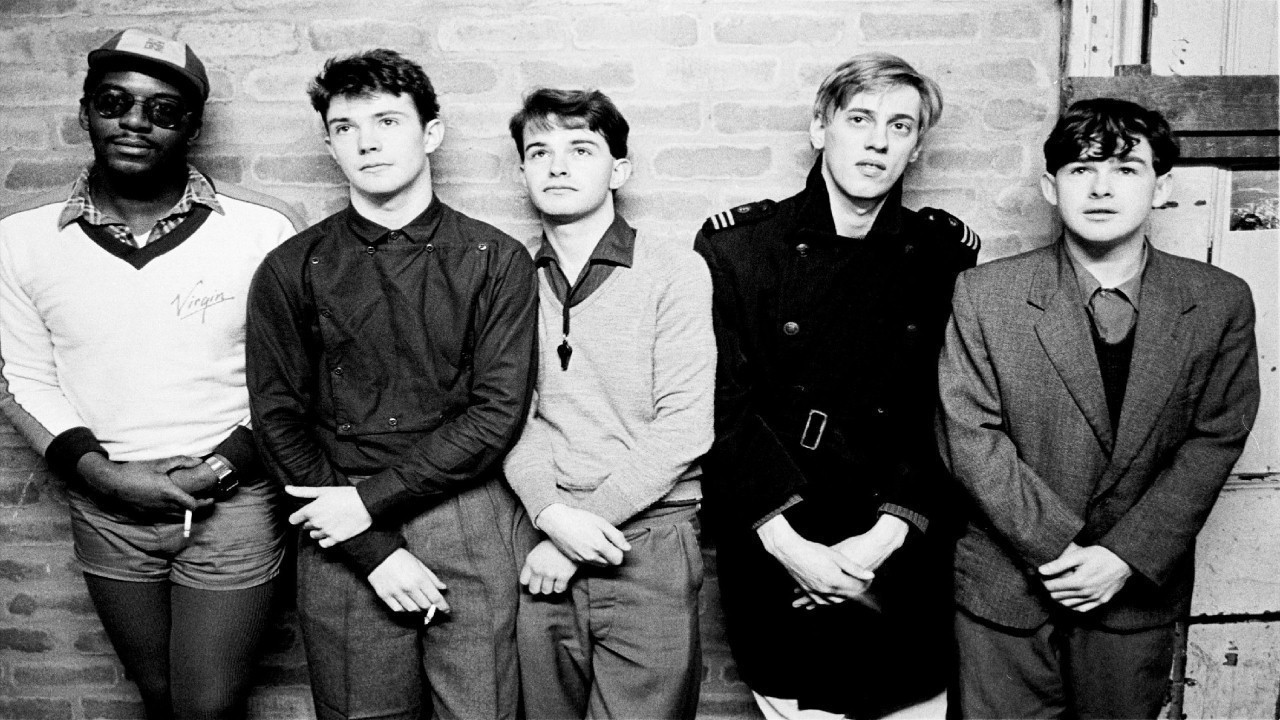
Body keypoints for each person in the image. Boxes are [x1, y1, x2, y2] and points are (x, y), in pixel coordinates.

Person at [0, 29, 302, 719]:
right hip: (106, 504)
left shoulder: (262, 231)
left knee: (208, 705)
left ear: (192, 127)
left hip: (233, 502)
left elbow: (293, 379)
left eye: (163, 110)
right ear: (85, 111)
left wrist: (217, 471)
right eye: (114, 102)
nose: (135, 122)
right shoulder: (19, 241)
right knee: (160, 695)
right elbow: (23, 377)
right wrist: (103, 477)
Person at [936, 98, 1260, 719]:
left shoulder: (1218, 301)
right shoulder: (986, 294)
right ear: (1049, 186)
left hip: (1133, 595)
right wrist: (1057, 550)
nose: (1102, 188)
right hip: (1006, 593)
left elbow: (1215, 438)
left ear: (1161, 187)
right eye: (1082, 169)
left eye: (1126, 169)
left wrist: (1121, 556)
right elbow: (969, 434)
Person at [245, 49, 537, 720]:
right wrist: (368, 546)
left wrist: (369, 504)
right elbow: (277, 420)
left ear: (430, 133)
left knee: (482, 710)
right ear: (329, 144)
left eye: (387, 121)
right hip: (337, 521)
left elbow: (496, 415)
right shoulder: (289, 268)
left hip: (465, 514)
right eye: (345, 127)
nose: (367, 142)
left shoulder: (497, 259)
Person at [693, 52, 979, 720]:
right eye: (859, 119)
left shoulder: (944, 256)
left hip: (900, 551)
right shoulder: (741, 250)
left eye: (900, 126)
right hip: (779, 548)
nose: (878, 141)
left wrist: (881, 542)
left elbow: (953, 414)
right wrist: (792, 550)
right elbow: (723, 412)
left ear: (916, 147)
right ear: (821, 127)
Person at [503, 88, 715, 720]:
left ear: (619, 170)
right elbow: (509, 416)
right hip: (539, 531)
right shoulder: (508, 279)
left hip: (648, 538)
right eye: (539, 151)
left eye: (581, 149)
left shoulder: (674, 270)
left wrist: (576, 533)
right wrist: (550, 516)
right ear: (522, 172)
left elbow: (685, 426)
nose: (557, 166)